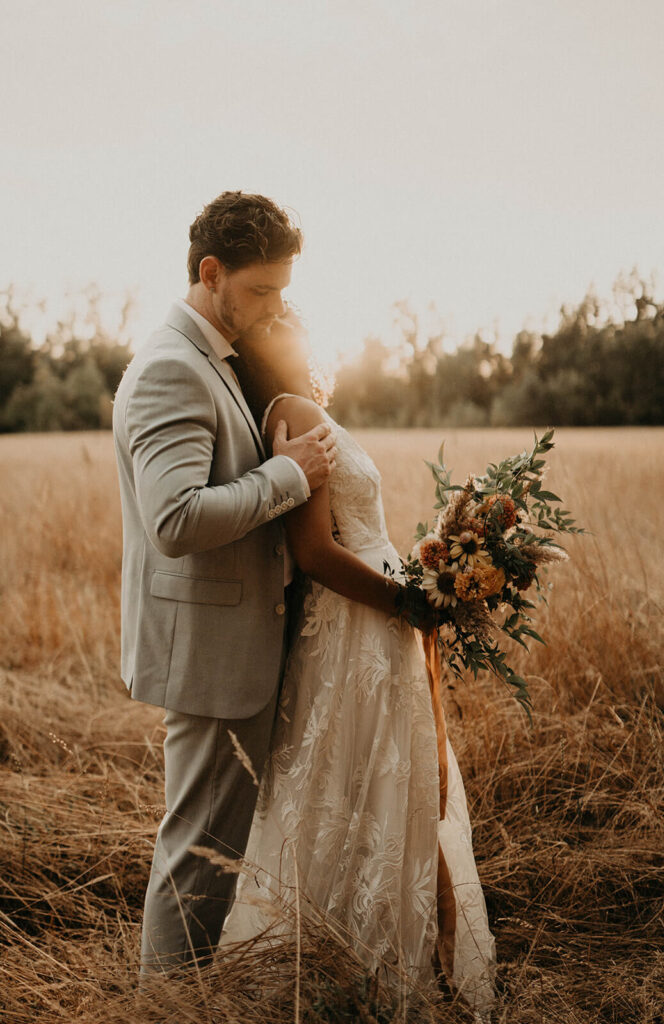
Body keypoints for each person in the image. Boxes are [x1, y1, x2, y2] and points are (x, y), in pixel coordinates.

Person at [219, 316, 497, 1017]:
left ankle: (349, 953)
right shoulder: (296, 411)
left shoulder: (293, 412)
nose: (302, 329)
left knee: (361, 779)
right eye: (285, 321)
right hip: (359, 624)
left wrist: (437, 562)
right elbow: (313, 550)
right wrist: (408, 601)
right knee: (365, 778)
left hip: (367, 616)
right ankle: (359, 963)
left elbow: (349, 533)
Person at [112, 191, 339, 975]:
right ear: (210, 272)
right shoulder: (171, 368)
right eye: (261, 289)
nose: (276, 306)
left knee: (214, 845)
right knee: (199, 851)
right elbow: (173, 520)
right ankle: (169, 1002)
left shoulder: (211, 358)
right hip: (207, 652)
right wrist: (287, 475)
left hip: (229, 642)